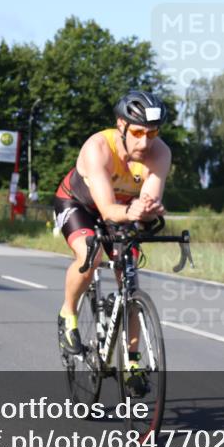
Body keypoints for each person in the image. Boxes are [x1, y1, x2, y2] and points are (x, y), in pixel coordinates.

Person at [53, 91, 171, 387]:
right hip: (78, 205)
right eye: (138, 132)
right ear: (121, 125)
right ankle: (68, 313)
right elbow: (106, 209)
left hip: (122, 212)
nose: (145, 142)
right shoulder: (98, 148)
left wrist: (149, 210)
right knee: (89, 258)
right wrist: (136, 210)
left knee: (129, 278)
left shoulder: (160, 154)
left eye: (153, 133)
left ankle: (131, 362)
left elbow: (145, 204)